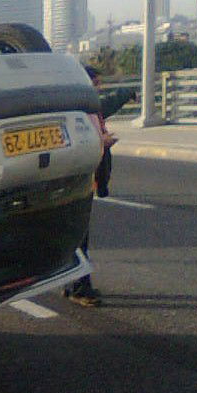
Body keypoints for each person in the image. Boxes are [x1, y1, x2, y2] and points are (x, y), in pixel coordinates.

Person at [65, 66, 137, 306]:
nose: (98, 88)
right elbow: (72, 144)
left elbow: (108, 104)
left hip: (87, 180)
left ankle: (73, 285)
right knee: (78, 237)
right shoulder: (73, 111)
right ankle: (79, 288)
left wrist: (126, 93)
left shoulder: (89, 107)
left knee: (79, 237)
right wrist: (100, 141)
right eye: (95, 83)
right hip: (75, 181)